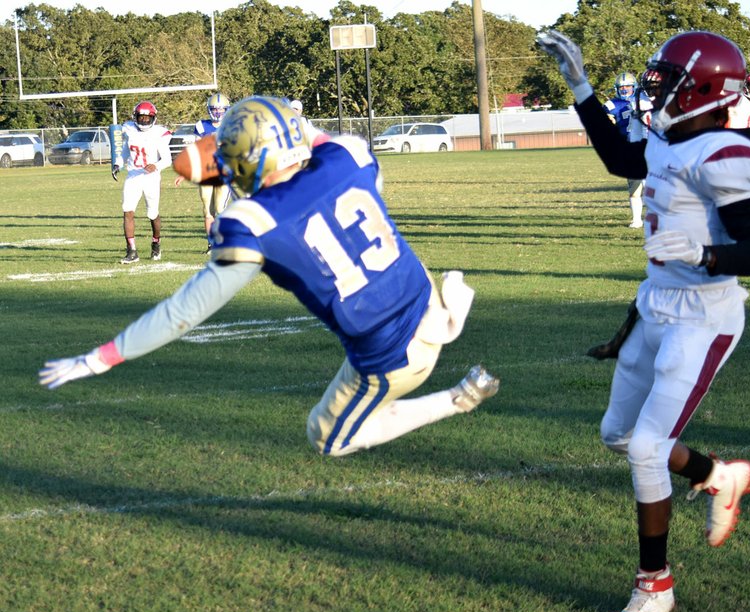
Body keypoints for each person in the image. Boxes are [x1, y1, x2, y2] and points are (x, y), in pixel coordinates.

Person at [39, 96, 500, 457]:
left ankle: (457, 399)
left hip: (391, 353)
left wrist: (99, 359)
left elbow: (184, 311)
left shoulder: (252, 223)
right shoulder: (350, 156)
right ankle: (446, 343)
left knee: (327, 437)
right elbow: (313, 141)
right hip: (426, 297)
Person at [539, 30, 750, 612]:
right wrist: (581, 88)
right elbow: (622, 159)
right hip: (656, 306)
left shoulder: (723, 154)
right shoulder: (668, 136)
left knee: (647, 447)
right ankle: (720, 476)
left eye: (667, 78)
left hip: (705, 315)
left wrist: (705, 254)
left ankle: (656, 586)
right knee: (619, 435)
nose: (656, 88)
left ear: (700, 88)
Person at [112, 101, 173, 264]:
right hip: (133, 175)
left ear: (153, 118)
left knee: (152, 213)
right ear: (136, 117)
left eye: (147, 117)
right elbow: (125, 151)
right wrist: (118, 163)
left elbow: (167, 159)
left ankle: (156, 242)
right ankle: (132, 251)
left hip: (151, 177)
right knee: (127, 210)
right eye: (141, 117)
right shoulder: (130, 130)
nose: (144, 120)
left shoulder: (159, 134)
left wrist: (156, 165)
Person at [175, 93, 233, 253]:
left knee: (220, 209)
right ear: (209, 109)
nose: (218, 112)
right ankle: (211, 245)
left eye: (221, 110)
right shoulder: (201, 126)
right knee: (208, 210)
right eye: (215, 109)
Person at [604, 72, 649, 228]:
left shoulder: (645, 98)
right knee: (634, 186)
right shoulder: (611, 105)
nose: (624, 90)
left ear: (634, 87)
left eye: (627, 87)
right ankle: (637, 219)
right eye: (621, 87)